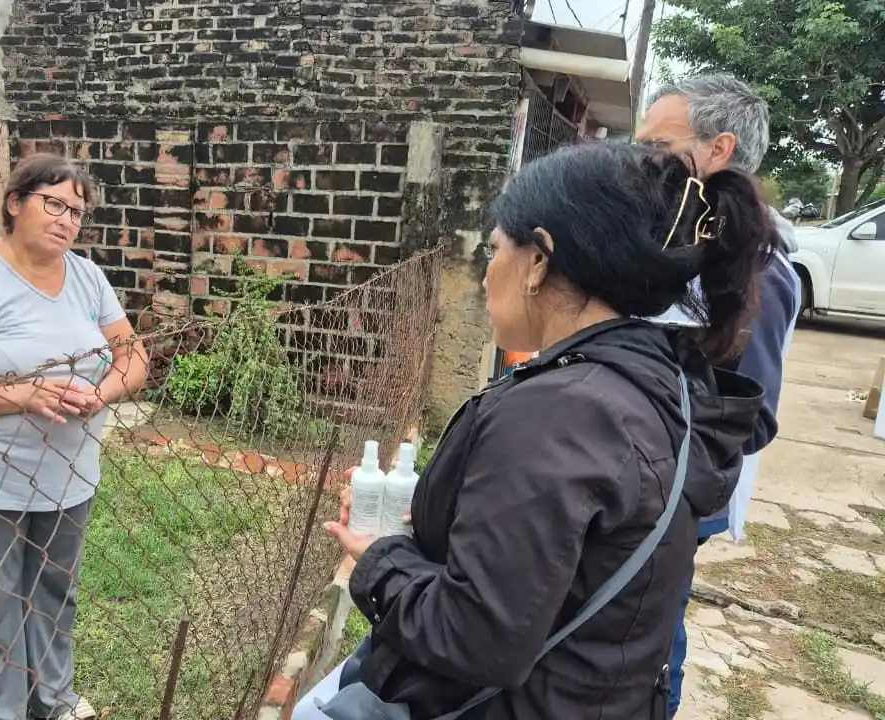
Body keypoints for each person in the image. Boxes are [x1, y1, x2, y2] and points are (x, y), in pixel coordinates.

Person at [295, 140, 771, 719]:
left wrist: (377, 559)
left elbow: (473, 637)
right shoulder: (658, 384)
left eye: (494, 249)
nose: (484, 273)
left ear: (539, 260)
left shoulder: (560, 415)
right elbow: (559, 557)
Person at [0, 153, 148, 720]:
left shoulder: (88, 278)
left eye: (78, 211)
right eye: (54, 203)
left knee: (54, 598)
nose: (68, 219)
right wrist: (23, 394)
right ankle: (0, 712)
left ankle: (53, 701)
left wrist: (103, 392)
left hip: (70, 478)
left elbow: (131, 353)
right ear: (16, 203)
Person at [637, 73, 803, 716]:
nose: (643, 156)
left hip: (679, 489)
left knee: (650, 627)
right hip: (635, 475)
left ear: (717, 149)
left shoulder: (762, 269)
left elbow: (754, 416)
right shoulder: (676, 239)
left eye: (659, 142)